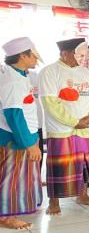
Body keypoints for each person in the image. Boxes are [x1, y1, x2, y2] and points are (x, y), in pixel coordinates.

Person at [39, 38, 89, 215]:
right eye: (79, 55)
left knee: (83, 164)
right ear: (65, 53)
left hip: (85, 128)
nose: (83, 59)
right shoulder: (49, 72)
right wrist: (75, 122)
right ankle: (54, 201)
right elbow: (51, 104)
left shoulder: (84, 72)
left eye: (84, 55)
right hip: (62, 129)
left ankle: (82, 195)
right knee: (59, 166)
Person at [0, 37, 42, 230]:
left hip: (22, 135)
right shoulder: (12, 80)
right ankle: (7, 217)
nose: (36, 58)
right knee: (12, 178)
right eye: (33, 54)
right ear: (22, 56)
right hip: (15, 138)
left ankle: (15, 209)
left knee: (18, 176)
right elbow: (13, 114)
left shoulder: (17, 74)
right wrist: (29, 144)